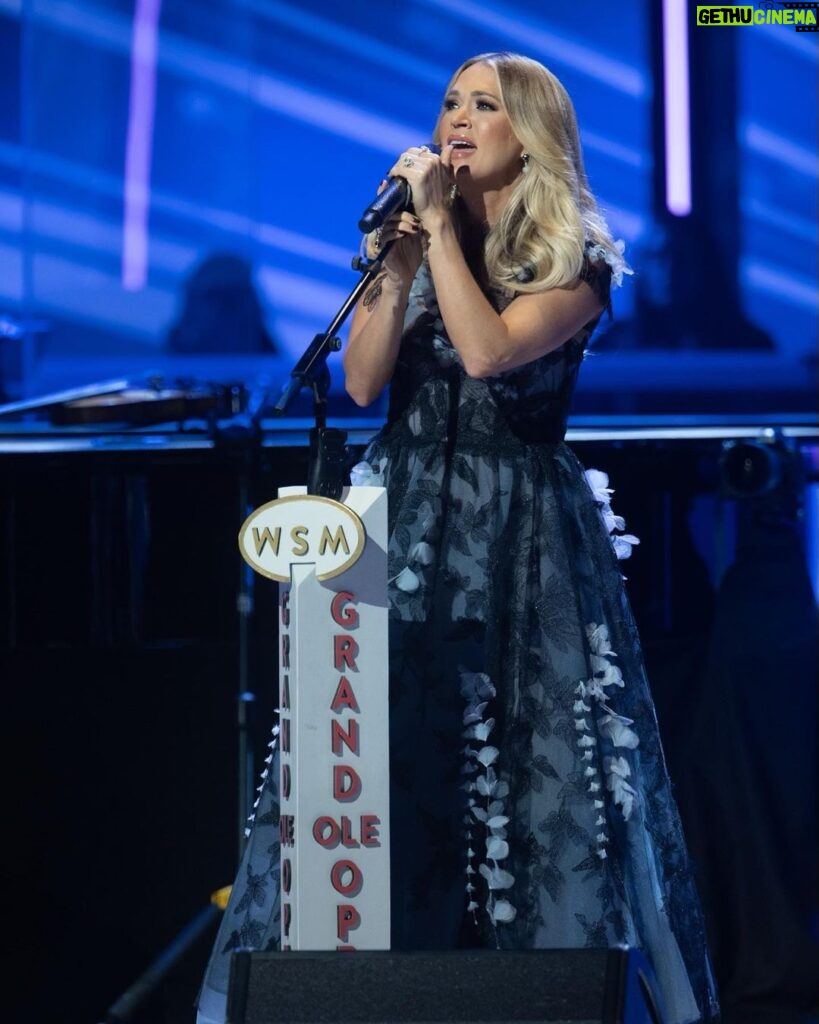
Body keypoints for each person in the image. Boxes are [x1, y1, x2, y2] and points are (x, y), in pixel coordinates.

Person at [196, 53, 719, 1024]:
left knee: (531, 747)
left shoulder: (576, 263)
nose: (459, 120)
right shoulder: (413, 239)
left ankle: (536, 982)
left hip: (519, 528)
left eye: (485, 106)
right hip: (402, 513)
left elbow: (487, 355)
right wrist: (395, 262)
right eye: (450, 103)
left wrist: (438, 231)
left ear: (532, 136)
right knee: (383, 738)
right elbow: (359, 384)